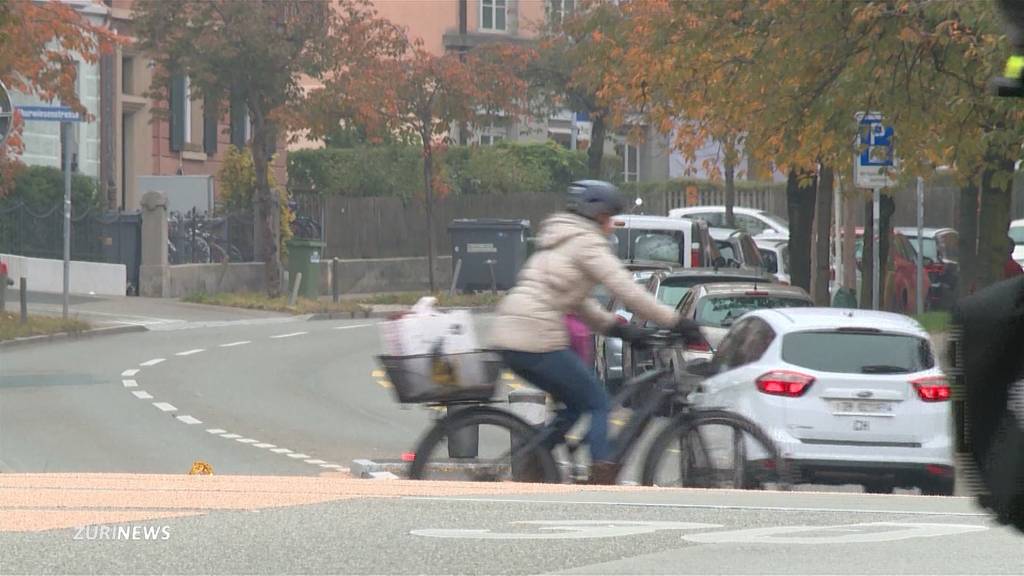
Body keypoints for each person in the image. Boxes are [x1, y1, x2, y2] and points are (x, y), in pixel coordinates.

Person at [490, 180, 700, 484]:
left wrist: (619, 329)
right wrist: (675, 321)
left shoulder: (559, 239)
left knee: (575, 406)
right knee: (598, 401)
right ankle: (602, 469)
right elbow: (626, 289)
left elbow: (580, 302)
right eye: (610, 217)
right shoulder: (586, 242)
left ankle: (535, 459)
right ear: (597, 214)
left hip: (510, 334)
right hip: (535, 336)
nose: (612, 226)